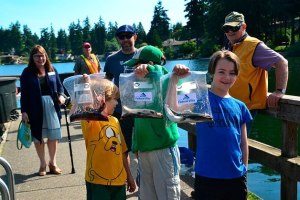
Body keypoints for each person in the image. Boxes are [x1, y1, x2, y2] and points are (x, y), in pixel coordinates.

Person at [125, 45, 190, 200]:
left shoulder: (166, 79)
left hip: (163, 149)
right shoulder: (140, 86)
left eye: (136, 66)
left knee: (168, 194)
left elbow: (164, 75)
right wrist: (136, 145)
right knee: (147, 195)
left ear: (148, 64)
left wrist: (152, 70)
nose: (134, 70)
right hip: (144, 150)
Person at [194, 50, 252, 200]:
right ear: (212, 71)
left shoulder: (240, 106)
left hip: (235, 177)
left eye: (232, 73)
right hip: (206, 176)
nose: (227, 77)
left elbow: (244, 143)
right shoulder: (200, 100)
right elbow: (173, 108)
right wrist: (176, 78)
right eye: (222, 71)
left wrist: (244, 169)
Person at [222, 11, 288, 133]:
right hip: (229, 105)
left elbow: (282, 63)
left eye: (234, 27)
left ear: (243, 26)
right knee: (227, 144)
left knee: (237, 146)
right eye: (227, 28)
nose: (230, 31)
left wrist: (279, 91)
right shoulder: (230, 47)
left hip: (245, 108)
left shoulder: (254, 46)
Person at [80, 76, 136, 199]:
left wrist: (129, 176)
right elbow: (87, 108)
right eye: (115, 99)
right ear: (103, 99)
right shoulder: (91, 121)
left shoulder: (115, 121)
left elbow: (122, 152)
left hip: (119, 181)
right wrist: (87, 87)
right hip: (97, 181)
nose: (117, 103)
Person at [20, 45, 66, 176]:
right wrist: (24, 111)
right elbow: (24, 94)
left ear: (46, 56)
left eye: (42, 55)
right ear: (32, 58)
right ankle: (42, 164)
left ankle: (53, 163)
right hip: (35, 108)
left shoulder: (52, 69)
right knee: (38, 137)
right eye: (37, 56)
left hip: (52, 106)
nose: (40, 58)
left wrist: (62, 97)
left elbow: (60, 87)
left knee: (53, 137)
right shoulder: (27, 72)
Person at [104, 24, 137, 153]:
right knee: (123, 148)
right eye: (121, 37)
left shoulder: (144, 55)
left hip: (143, 110)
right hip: (120, 110)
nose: (125, 39)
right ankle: (127, 173)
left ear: (135, 37)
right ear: (118, 39)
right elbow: (107, 84)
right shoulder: (111, 59)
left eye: (128, 36)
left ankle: (144, 173)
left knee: (144, 148)